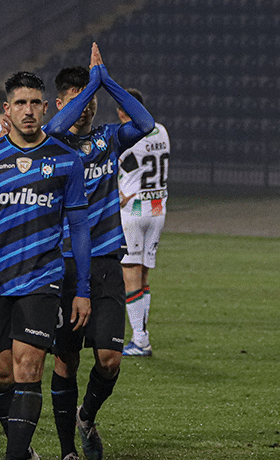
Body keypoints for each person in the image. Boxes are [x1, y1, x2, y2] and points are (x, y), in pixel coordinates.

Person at [0, 70, 91, 460]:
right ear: (5, 112)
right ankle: (25, 449)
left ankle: (14, 456)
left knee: (29, 367)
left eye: (34, 103)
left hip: (42, 279)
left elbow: (79, 227)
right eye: (20, 103)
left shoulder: (66, 160)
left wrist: (81, 289)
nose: (28, 111)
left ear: (45, 108)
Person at [45, 43, 155, 460]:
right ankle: (68, 451)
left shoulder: (109, 139)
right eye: (79, 101)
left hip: (107, 259)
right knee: (66, 361)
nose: (89, 109)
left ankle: (86, 416)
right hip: (64, 263)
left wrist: (104, 81)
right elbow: (56, 128)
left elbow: (145, 122)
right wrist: (91, 88)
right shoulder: (52, 143)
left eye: (92, 103)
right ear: (61, 103)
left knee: (109, 359)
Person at [117, 88, 169, 357]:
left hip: (133, 213)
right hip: (157, 210)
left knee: (130, 276)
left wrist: (120, 193)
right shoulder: (161, 131)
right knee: (144, 275)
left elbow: (116, 170)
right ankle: (143, 334)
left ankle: (140, 339)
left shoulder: (127, 137)